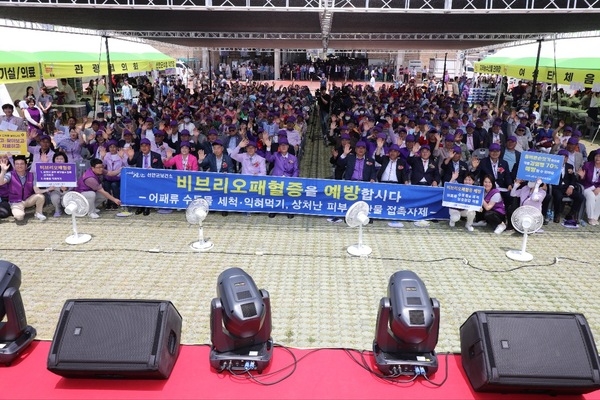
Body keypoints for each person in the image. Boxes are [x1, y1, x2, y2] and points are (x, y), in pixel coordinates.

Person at [0, 155, 47, 222]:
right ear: (14, 165)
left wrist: (49, 189)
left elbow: (37, 190)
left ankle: (38, 213)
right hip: (15, 202)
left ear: (26, 165)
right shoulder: (10, 174)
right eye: (17, 164)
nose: (19, 166)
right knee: (19, 217)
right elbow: (1, 182)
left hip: (27, 200)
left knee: (40, 197)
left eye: (22, 164)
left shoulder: (31, 175)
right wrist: (3, 171)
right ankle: (15, 210)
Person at [263, 135, 299, 218]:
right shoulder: (276, 155)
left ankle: (289, 210)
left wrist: (292, 179)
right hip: (277, 179)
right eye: (281, 145)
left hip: (288, 179)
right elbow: (268, 158)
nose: (283, 147)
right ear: (279, 147)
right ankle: (274, 210)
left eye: (285, 145)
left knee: (290, 193)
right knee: (275, 194)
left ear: (288, 146)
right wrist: (268, 147)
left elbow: (296, 170)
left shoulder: (293, 158)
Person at [127, 138, 164, 216]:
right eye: (142, 146)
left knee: (148, 187)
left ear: (150, 146)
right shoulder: (138, 154)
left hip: (152, 178)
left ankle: (147, 206)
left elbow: (160, 168)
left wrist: (153, 170)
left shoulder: (156, 156)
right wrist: (130, 156)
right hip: (140, 178)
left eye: (146, 146)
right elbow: (131, 162)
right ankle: (140, 206)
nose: (144, 148)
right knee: (138, 186)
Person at [549, 149, 584, 226]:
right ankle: (557, 214)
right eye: (561, 157)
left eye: (565, 157)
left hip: (567, 187)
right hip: (556, 187)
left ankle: (571, 214)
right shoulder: (553, 166)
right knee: (558, 196)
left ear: (567, 158)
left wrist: (571, 187)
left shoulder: (570, 166)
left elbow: (573, 179)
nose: (563, 159)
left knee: (580, 197)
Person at [99, 140, 127, 210]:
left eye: (114, 147)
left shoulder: (121, 154)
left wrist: (122, 157)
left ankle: (116, 201)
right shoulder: (107, 155)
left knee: (114, 185)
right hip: (108, 177)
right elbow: (102, 165)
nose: (112, 149)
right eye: (110, 147)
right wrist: (102, 157)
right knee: (106, 184)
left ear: (117, 148)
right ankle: (109, 201)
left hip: (118, 177)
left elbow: (126, 165)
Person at [578, 151, 600, 225]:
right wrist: (582, 176)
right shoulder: (587, 165)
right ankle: (590, 217)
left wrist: (599, 188)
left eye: (599, 157)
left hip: (597, 187)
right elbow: (582, 179)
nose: (597, 158)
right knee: (591, 196)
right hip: (586, 186)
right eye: (596, 156)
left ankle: (595, 217)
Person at [48, 151, 71, 217]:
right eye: (57, 159)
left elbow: (74, 181)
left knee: (65, 202)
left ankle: (66, 207)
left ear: (65, 160)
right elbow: (46, 180)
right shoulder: (50, 170)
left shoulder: (70, 169)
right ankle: (57, 210)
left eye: (61, 159)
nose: (59, 161)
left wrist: (67, 187)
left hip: (66, 191)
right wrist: (50, 187)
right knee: (55, 198)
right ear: (54, 160)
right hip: (55, 190)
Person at [0, 153, 12, 219]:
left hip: (9, 199)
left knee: (3, 213)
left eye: (5, 157)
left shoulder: (14, 170)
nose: (2, 160)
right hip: (1, 198)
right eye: (0, 158)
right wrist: (2, 171)